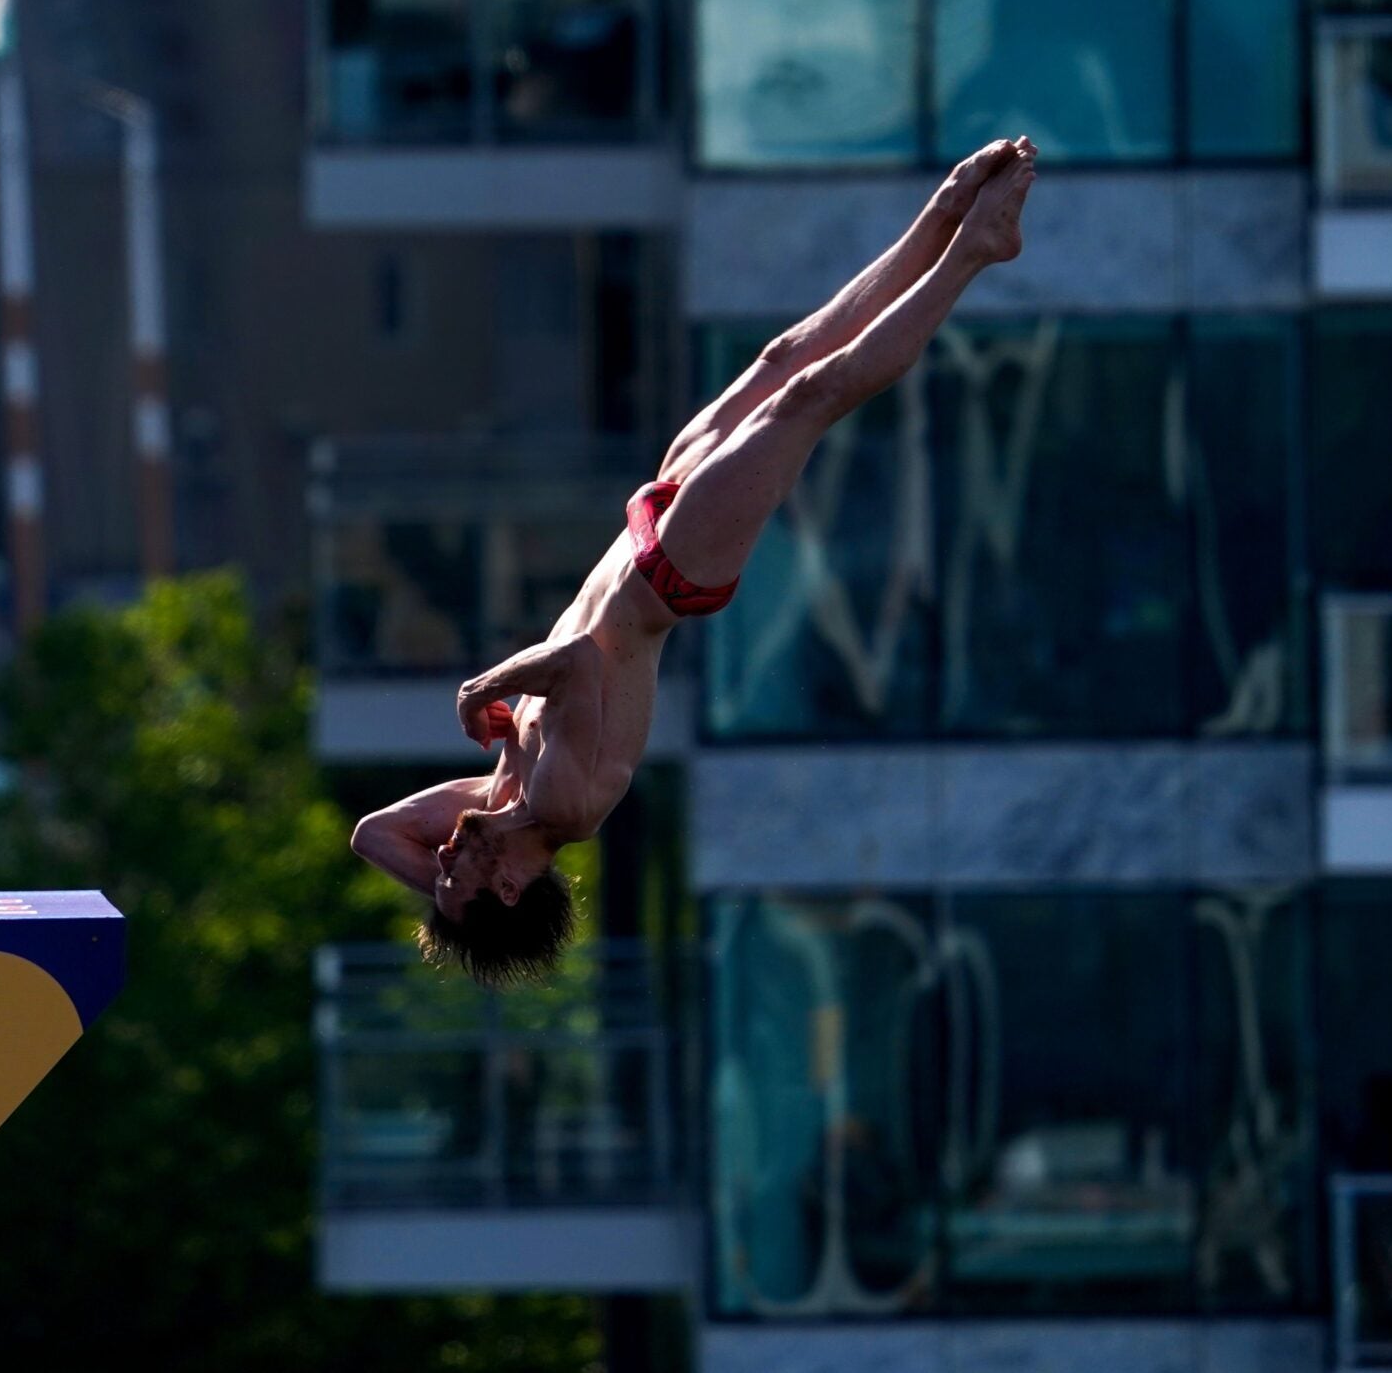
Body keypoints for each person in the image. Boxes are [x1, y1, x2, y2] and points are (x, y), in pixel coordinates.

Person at [351, 137, 1042, 985]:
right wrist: (487, 691)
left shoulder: (497, 801)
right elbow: (573, 664)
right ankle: (974, 249)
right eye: (452, 882)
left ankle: (940, 215)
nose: (439, 866)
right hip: (675, 571)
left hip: (648, 528)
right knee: (812, 396)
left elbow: (371, 834)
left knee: (783, 359)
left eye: (439, 877)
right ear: (504, 883)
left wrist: (467, 889)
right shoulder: (560, 803)